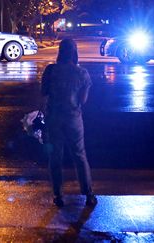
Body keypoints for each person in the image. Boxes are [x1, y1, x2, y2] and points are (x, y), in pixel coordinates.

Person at [41, 38, 97, 207]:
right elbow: (83, 100)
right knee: (80, 155)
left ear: (60, 51)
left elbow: (43, 92)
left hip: (53, 118)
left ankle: (58, 195)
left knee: (55, 156)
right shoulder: (82, 74)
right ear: (75, 52)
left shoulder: (50, 70)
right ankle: (88, 194)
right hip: (73, 118)